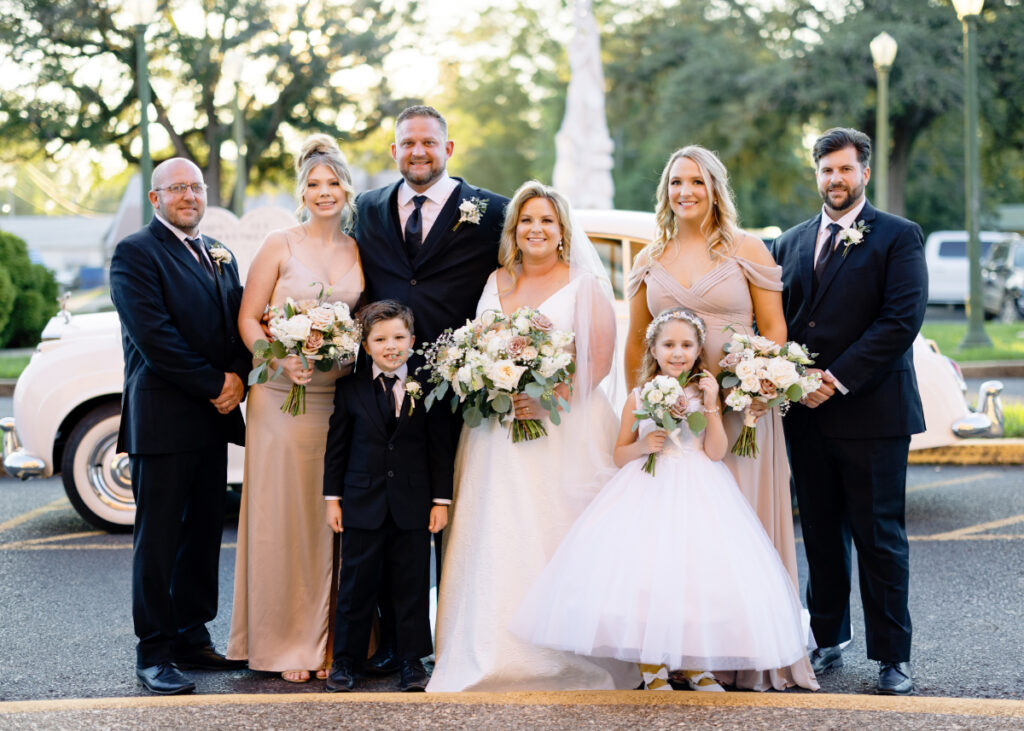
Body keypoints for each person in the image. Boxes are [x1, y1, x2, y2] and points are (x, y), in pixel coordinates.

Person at [512, 308, 818, 694]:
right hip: (646, 489)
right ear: (653, 350)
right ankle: (653, 668)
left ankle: (695, 667)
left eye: (687, 345)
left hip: (700, 487)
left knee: (695, 579)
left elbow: (716, 452)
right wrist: (643, 445)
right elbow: (619, 454)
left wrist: (710, 403)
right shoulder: (639, 395)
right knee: (646, 577)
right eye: (669, 345)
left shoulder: (706, 393)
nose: (678, 353)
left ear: (697, 350)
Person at [426, 181, 638, 692]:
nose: (535, 229)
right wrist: (484, 380)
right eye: (526, 220)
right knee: (495, 532)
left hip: (564, 433)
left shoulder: (584, 284)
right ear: (514, 230)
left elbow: (599, 361)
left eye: (546, 220)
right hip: (495, 436)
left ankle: (562, 656)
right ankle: (490, 651)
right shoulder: (496, 280)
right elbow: (478, 344)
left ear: (562, 230)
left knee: (554, 532)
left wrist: (547, 399)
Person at [624, 145, 810, 690]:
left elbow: (774, 327)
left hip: (742, 411)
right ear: (666, 191)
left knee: (743, 527)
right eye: (676, 182)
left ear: (715, 189)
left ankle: (746, 656)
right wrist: (646, 406)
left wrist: (758, 379)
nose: (685, 192)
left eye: (697, 182)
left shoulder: (746, 249)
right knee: (683, 536)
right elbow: (638, 340)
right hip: (676, 419)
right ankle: (685, 650)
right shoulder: (647, 258)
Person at [352, 104, 508, 675]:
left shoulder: (492, 211)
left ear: (449, 147)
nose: (418, 152)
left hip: (463, 390)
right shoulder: (366, 209)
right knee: (398, 526)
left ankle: (461, 638)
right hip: (386, 388)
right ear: (394, 151)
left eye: (429, 142)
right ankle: (399, 645)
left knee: (458, 520)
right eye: (407, 143)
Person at [771, 128, 927, 695]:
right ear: (816, 174)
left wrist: (834, 379)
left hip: (872, 413)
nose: (835, 179)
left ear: (864, 172)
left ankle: (892, 656)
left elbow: (900, 321)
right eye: (826, 170)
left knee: (879, 535)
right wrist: (791, 379)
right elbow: (780, 325)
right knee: (819, 531)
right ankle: (827, 637)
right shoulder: (787, 243)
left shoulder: (897, 236)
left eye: (845, 169)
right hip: (805, 415)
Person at [225, 135, 363, 683]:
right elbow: (248, 318)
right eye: (313, 184)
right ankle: (284, 643)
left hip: (337, 400)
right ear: (300, 191)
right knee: (283, 519)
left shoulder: (356, 251)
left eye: (332, 183)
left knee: (333, 517)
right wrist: (280, 362)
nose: (323, 192)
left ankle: (334, 639)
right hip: (281, 400)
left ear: (347, 189)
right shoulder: (279, 244)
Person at [110, 158, 249, 695]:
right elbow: (155, 336)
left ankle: (193, 635)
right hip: (164, 421)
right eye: (177, 188)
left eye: (196, 187)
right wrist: (218, 385)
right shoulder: (135, 253)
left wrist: (238, 374)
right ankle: (155, 651)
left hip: (212, 423)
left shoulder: (220, 252)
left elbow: (237, 322)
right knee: (160, 539)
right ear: (155, 199)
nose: (189, 195)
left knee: (201, 536)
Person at [322, 300, 452, 693]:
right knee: (356, 586)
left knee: (411, 586)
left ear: (412, 340)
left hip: (413, 506)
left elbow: (440, 448)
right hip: (362, 504)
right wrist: (333, 499)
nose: (390, 345)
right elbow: (337, 448)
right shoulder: (349, 390)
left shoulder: (430, 387)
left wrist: (440, 502)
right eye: (380, 339)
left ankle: (412, 662)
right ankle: (345, 662)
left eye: (398, 337)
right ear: (366, 346)